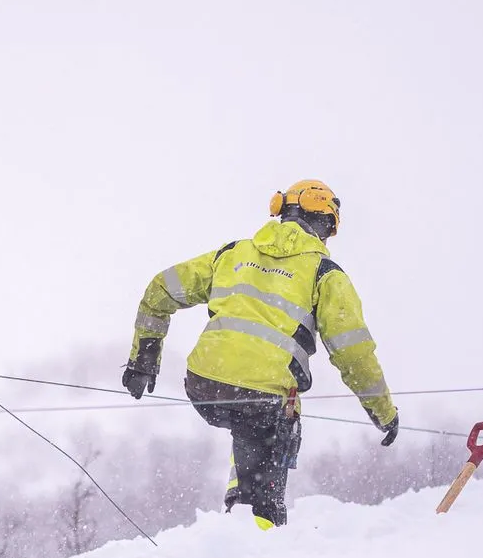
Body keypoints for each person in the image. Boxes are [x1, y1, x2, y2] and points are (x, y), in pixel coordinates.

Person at [121, 180, 399, 529]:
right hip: (263, 399)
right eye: (329, 229)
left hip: (204, 385)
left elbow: (160, 289)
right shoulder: (325, 274)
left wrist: (143, 361)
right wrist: (382, 412)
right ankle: (256, 522)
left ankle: (240, 504)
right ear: (324, 223)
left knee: (250, 427)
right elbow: (354, 355)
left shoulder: (233, 254)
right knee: (271, 434)